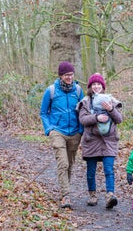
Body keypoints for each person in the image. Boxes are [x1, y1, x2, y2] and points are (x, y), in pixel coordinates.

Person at [40, 61, 84, 209]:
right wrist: (49, 129)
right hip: (58, 131)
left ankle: (65, 193)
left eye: (71, 74)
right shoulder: (51, 91)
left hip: (74, 133)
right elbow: (43, 112)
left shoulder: (78, 91)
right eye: (66, 75)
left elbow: (84, 111)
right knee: (63, 163)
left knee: (70, 165)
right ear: (60, 76)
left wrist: (81, 130)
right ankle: (66, 196)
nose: (69, 77)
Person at [77, 73, 123, 209]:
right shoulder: (85, 102)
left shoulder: (111, 100)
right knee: (91, 171)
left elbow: (119, 119)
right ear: (90, 87)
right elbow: (83, 120)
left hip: (109, 141)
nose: (96, 87)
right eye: (94, 84)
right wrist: (96, 117)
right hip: (91, 141)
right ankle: (92, 195)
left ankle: (110, 195)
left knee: (109, 169)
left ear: (103, 87)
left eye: (99, 84)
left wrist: (111, 109)